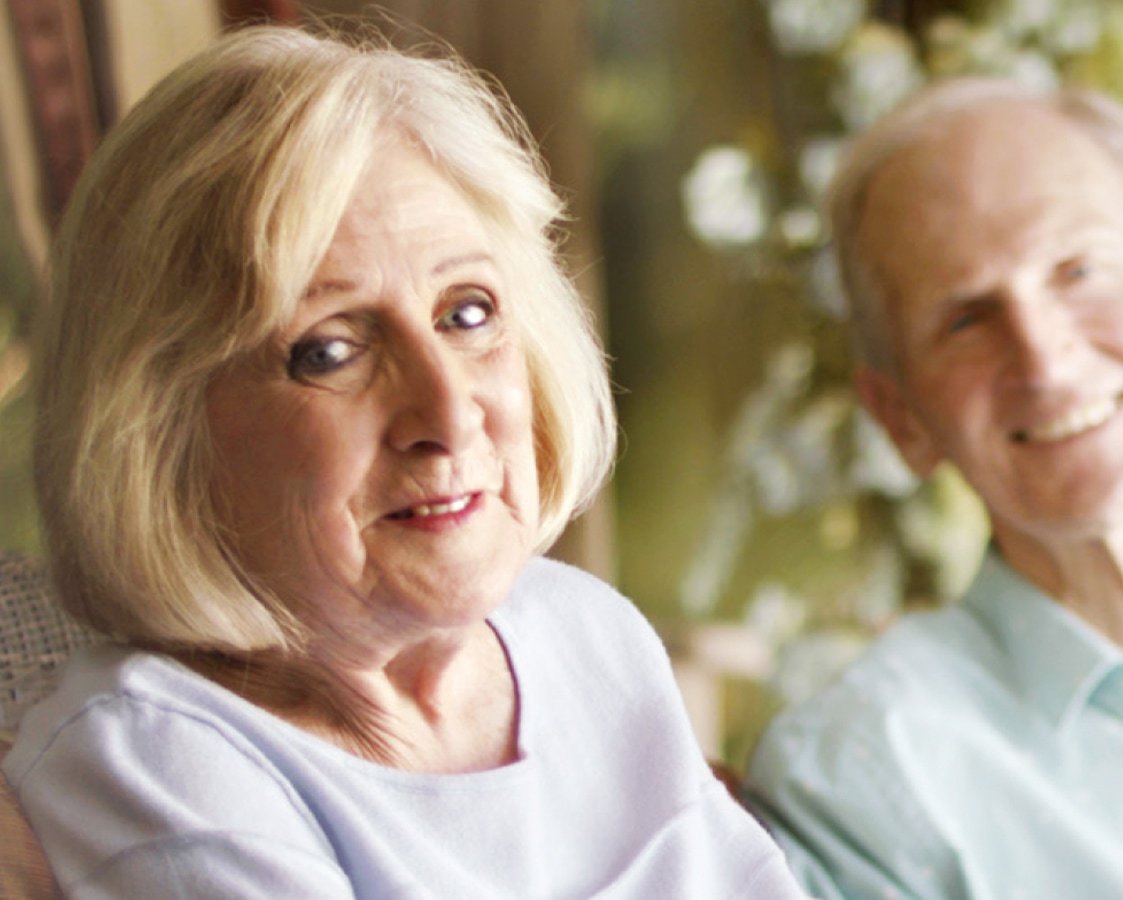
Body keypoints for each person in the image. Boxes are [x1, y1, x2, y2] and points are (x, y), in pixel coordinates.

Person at [1, 25, 806, 898]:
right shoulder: (153, 758)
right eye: (330, 350)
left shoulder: (583, 633)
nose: (450, 411)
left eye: (467, 314)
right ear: (159, 430)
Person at [744, 75, 1123, 898]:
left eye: (1079, 270)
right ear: (901, 417)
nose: (1044, 360)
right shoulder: (862, 778)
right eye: (965, 319)